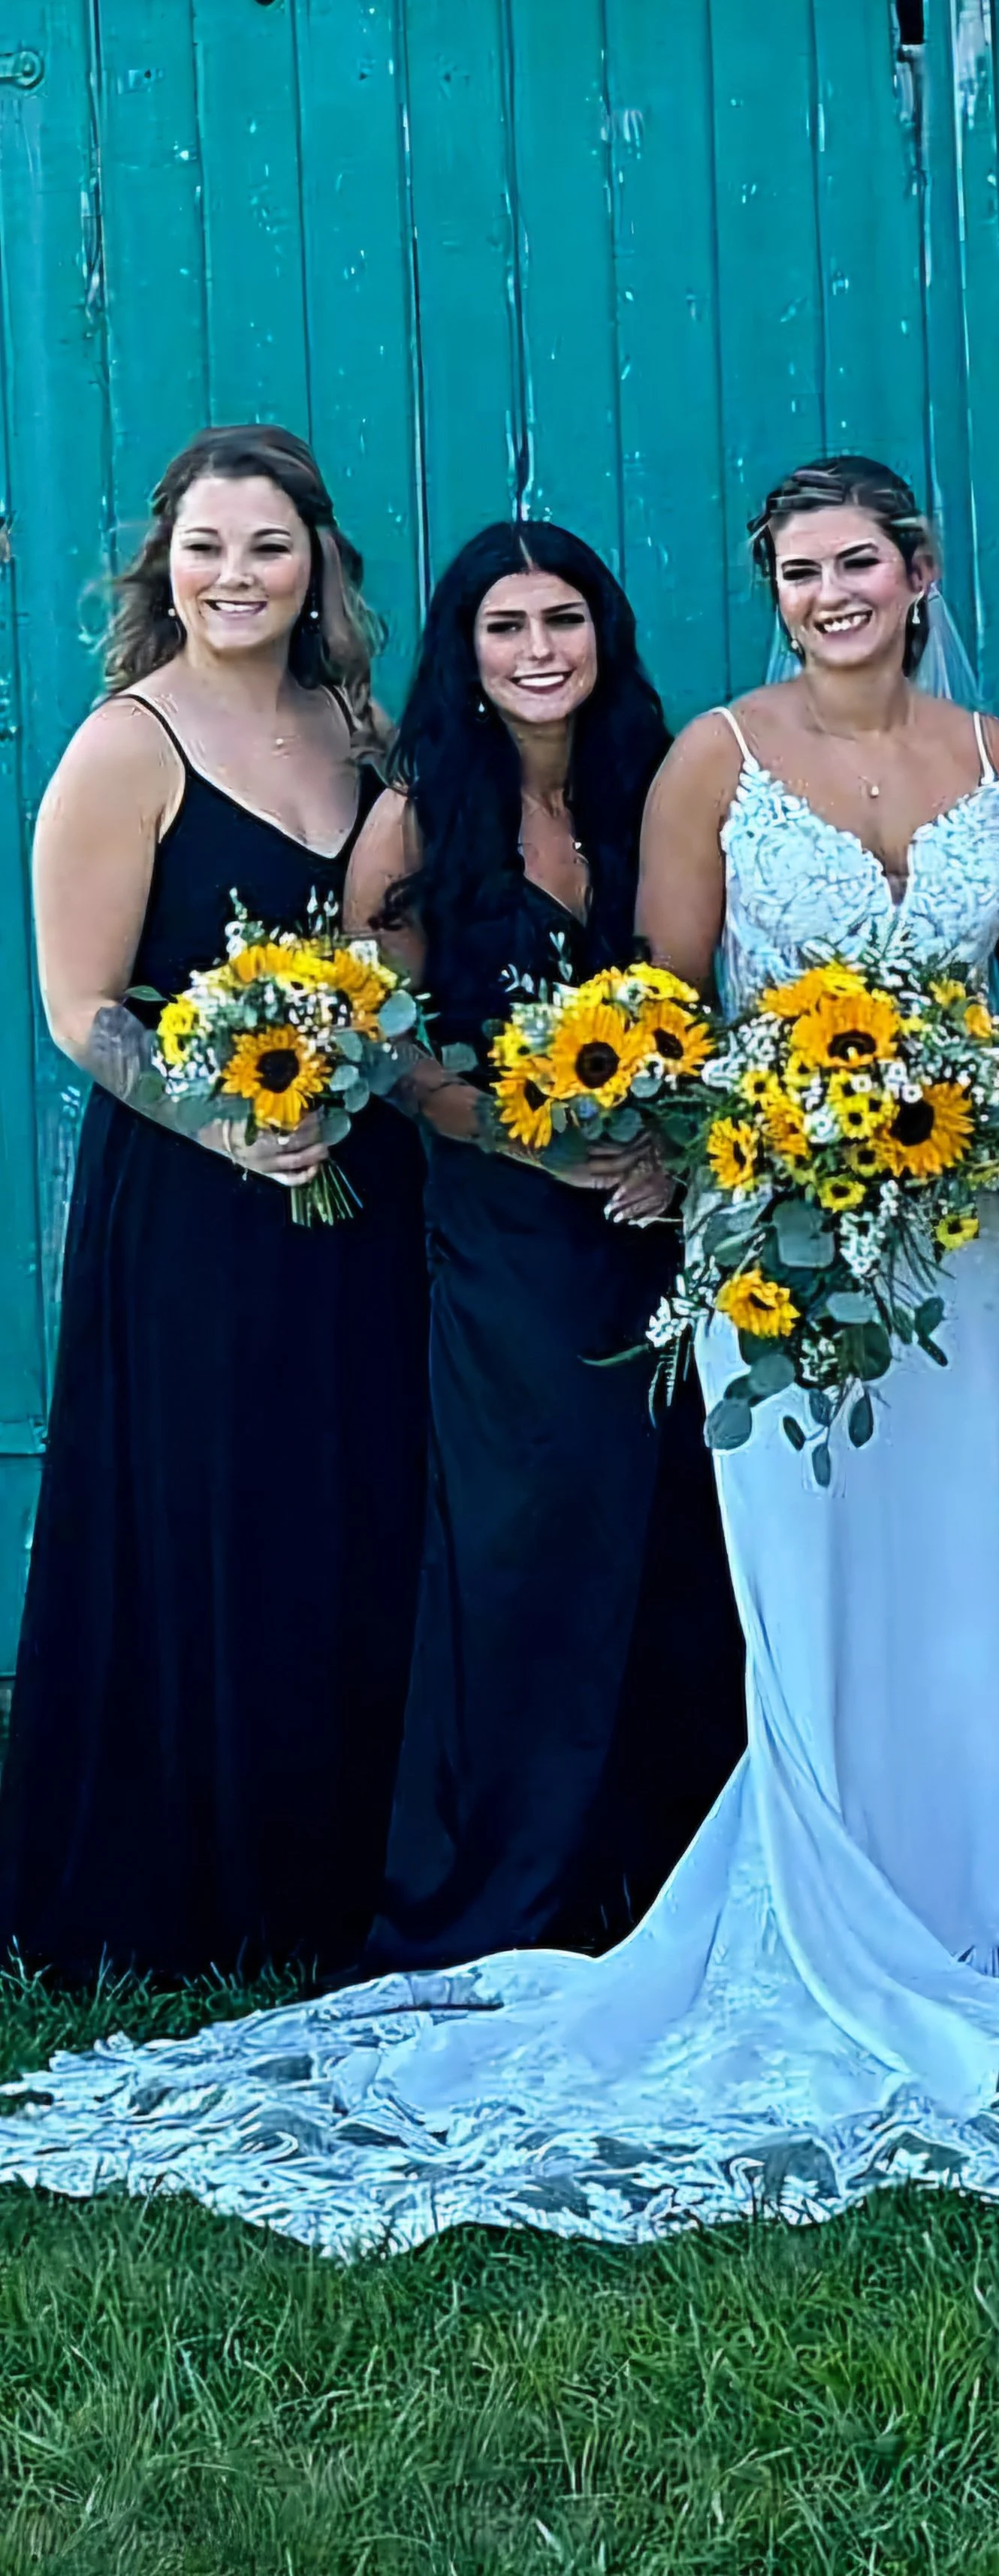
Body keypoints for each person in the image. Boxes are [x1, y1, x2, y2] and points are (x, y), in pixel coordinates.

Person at [0, 457, 999, 2257]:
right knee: (786, 1568)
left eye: (857, 566)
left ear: (913, 571)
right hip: (764, 1197)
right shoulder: (702, 763)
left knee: (960, 1547)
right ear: (768, 590)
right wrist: (703, 1125)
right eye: (799, 571)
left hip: (970, 1224)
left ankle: (975, 1902)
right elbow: (659, 1000)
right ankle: (798, 1890)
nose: (830, 595)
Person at [0, 424, 427, 1982]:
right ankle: (198, 1881)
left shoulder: (360, 728)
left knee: (350, 1503)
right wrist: (231, 1124)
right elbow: (79, 1007)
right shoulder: (130, 744)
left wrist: (340, 1089)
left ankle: (343, 1868)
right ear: (162, 567)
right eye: (205, 546)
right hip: (195, 1198)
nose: (235, 575)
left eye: (266, 545)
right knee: (214, 1510)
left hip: (361, 1182)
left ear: (317, 563)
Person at [345, 522, 744, 1969]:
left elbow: (718, 997)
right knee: (526, 1542)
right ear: (465, 650)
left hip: (666, 1224)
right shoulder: (413, 822)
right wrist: (551, 1147)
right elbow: (393, 1053)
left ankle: (654, 1883)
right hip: (508, 1236)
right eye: (505, 626)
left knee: (675, 1542)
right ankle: (496, 1893)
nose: (536, 652)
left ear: (603, 636)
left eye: (562, 621)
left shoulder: (657, 793)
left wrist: (672, 1152)